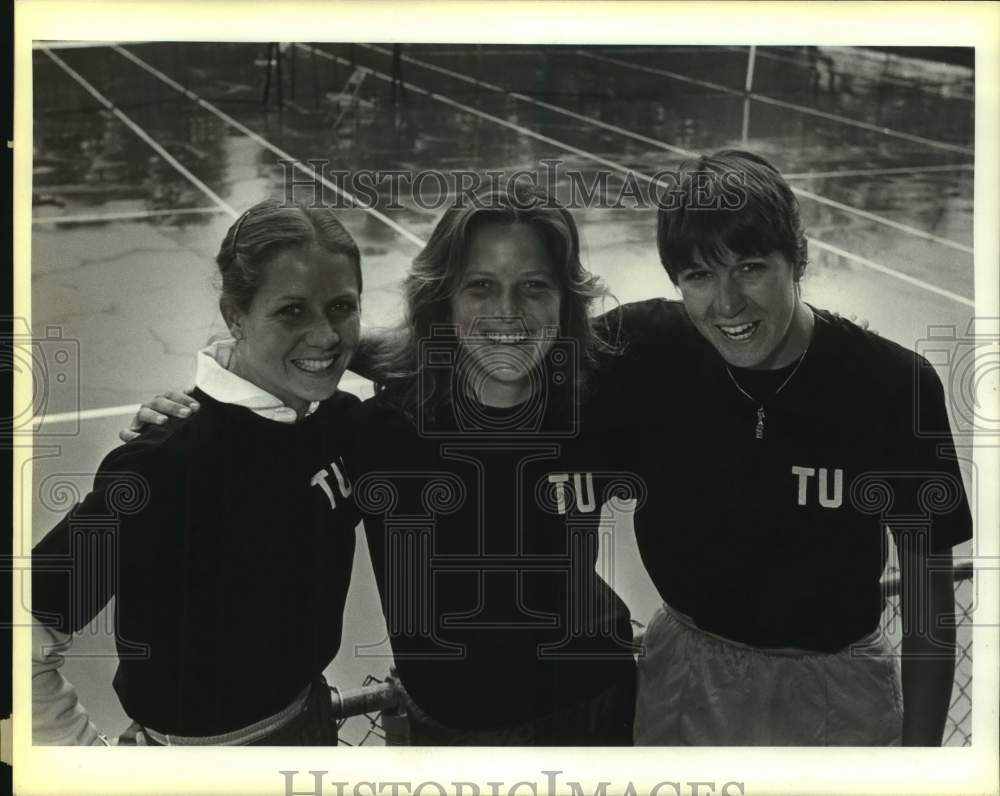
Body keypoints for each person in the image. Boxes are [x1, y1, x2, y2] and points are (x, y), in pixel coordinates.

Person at [126, 185, 639, 745]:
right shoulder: (377, 421)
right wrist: (201, 402)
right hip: (452, 732)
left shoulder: (601, 390)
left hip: (601, 699)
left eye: (535, 286)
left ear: (567, 296)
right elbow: (300, 360)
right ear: (445, 297)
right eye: (480, 286)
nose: (508, 311)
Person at [600, 149, 973, 745]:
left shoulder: (892, 386)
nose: (728, 305)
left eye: (749, 267)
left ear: (796, 258)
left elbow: (929, 612)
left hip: (837, 694)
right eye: (699, 275)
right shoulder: (642, 350)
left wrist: (920, 764)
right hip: (682, 680)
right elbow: (512, 358)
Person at [32, 198, 363, 745]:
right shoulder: (168, 462)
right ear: (236, 314)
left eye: (342, 307)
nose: (326, 334)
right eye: (292, 311)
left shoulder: (343, 422)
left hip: (312, 726)